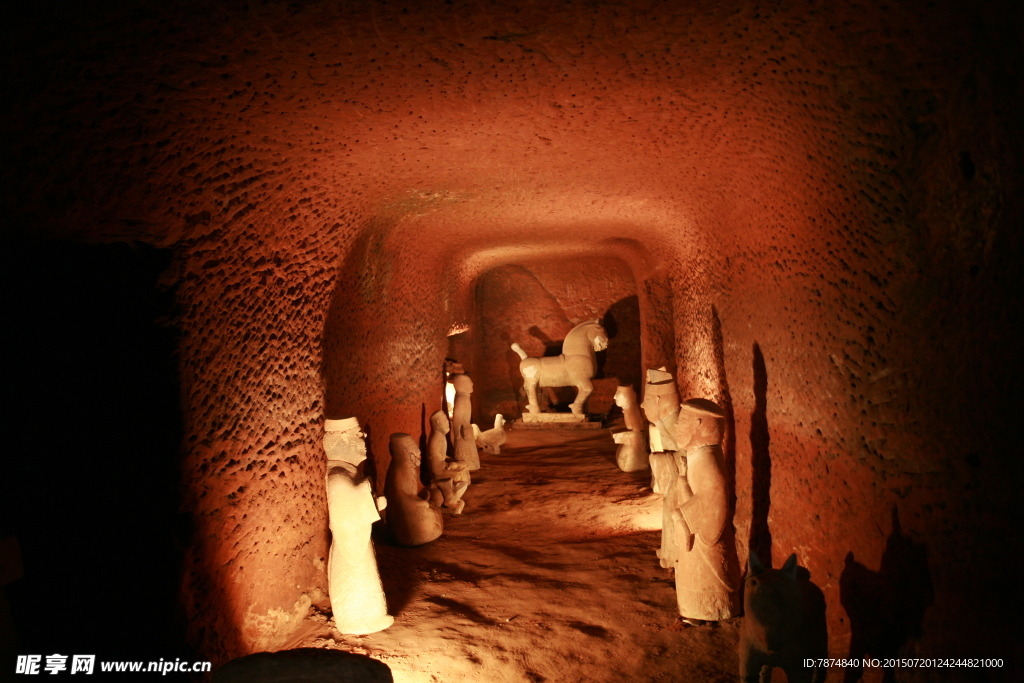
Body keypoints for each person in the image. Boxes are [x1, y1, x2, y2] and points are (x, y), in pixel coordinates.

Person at [671, 398, 740, 624]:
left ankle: (709, 609)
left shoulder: (708, 459)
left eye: (682, 422)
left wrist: (681, 515)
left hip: (705, 536)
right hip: (699, 534)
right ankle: (699, 609)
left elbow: (714, 497)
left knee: (705, 576)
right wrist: (682, 481)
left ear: (699, 424)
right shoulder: (699, 455)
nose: (676, 428)